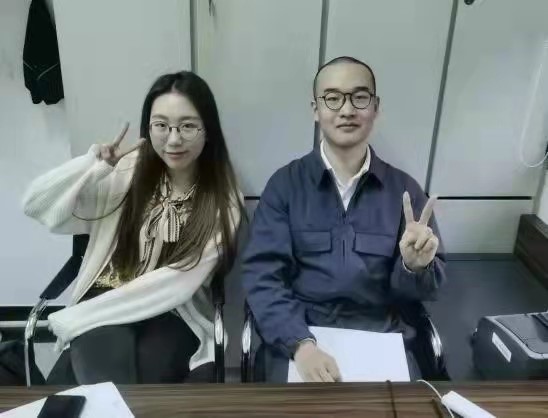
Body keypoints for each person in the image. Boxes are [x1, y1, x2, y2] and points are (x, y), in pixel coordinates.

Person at [23, 71, 243, 384]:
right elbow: (36, 205)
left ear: (208, 130)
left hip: (172, 311)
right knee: (101, 377)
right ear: (148, 128)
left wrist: (82, 317)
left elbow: (178, 282)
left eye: (187, 126)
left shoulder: (223, 197)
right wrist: (91, 167)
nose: (173, 139)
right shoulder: (126, 169)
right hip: (103, 299)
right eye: (161, 125)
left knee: (100, 382)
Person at [241, 56, 446, 383]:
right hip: (301, 333)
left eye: (359, 97)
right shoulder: (285, 186)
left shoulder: (405, 191)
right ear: (316, 109)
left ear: (375, 107)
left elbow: (424, 292)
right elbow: (263, 276)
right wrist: (300, 344)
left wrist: (414, 267)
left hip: (381, 335)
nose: (347, 109)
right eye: (333, 98)